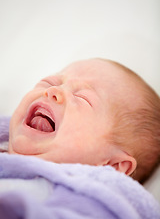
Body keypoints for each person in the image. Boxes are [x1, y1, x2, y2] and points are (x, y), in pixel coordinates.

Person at [8, 58, 160, 183]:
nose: (53, 90)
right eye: (51, 82)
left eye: (83, 98)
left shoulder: (84, 205)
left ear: (112, 167)